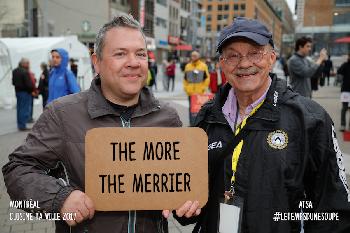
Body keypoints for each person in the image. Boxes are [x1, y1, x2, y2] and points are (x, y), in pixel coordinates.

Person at [2, 15, 199, 233]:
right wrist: (60, 199)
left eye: (140, 54)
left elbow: (179, 188)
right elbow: (17, 170)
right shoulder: (63, 114)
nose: (133, 62)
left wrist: (188, 205)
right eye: (120, 54)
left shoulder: (168, 117)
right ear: (97, 62)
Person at [175, 17, 350, 232]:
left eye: (255, 53)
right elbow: (190, 195)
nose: (244, 63)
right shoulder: (207, 117)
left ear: (272, 58)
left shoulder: (310, 119)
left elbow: (332, 207)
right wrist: (183, 206)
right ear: (221, 64)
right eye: (232, 55)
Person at [183, 51, 210, 126]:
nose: (193, 57)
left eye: (195, 56)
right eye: (192, 56)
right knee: (191, 109)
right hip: (190, 92)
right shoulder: (187, 66)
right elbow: (185, 79)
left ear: (198, 57)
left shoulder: (203, 66)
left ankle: (199, 124)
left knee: (200, 109)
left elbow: (207, 78)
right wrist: (186, 89)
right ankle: (192, 124)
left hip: (199, 92)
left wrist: (202, 89)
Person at [12, 58, 34, 131]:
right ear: (24, 64)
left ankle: (20, 124)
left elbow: (13, 82)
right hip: (25, 92)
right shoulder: (25, 72)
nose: (28, 65)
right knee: (24, 109)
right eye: (27, 63)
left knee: (19, 109)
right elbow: (29, 84)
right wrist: (31, 90)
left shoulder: (14, 71)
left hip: (18, 92)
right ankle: (22, 125)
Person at [339, 53, 350, 132]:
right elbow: (339, 71)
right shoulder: (345, 65)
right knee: (344, 108)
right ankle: (343, 125)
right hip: (345, 90)